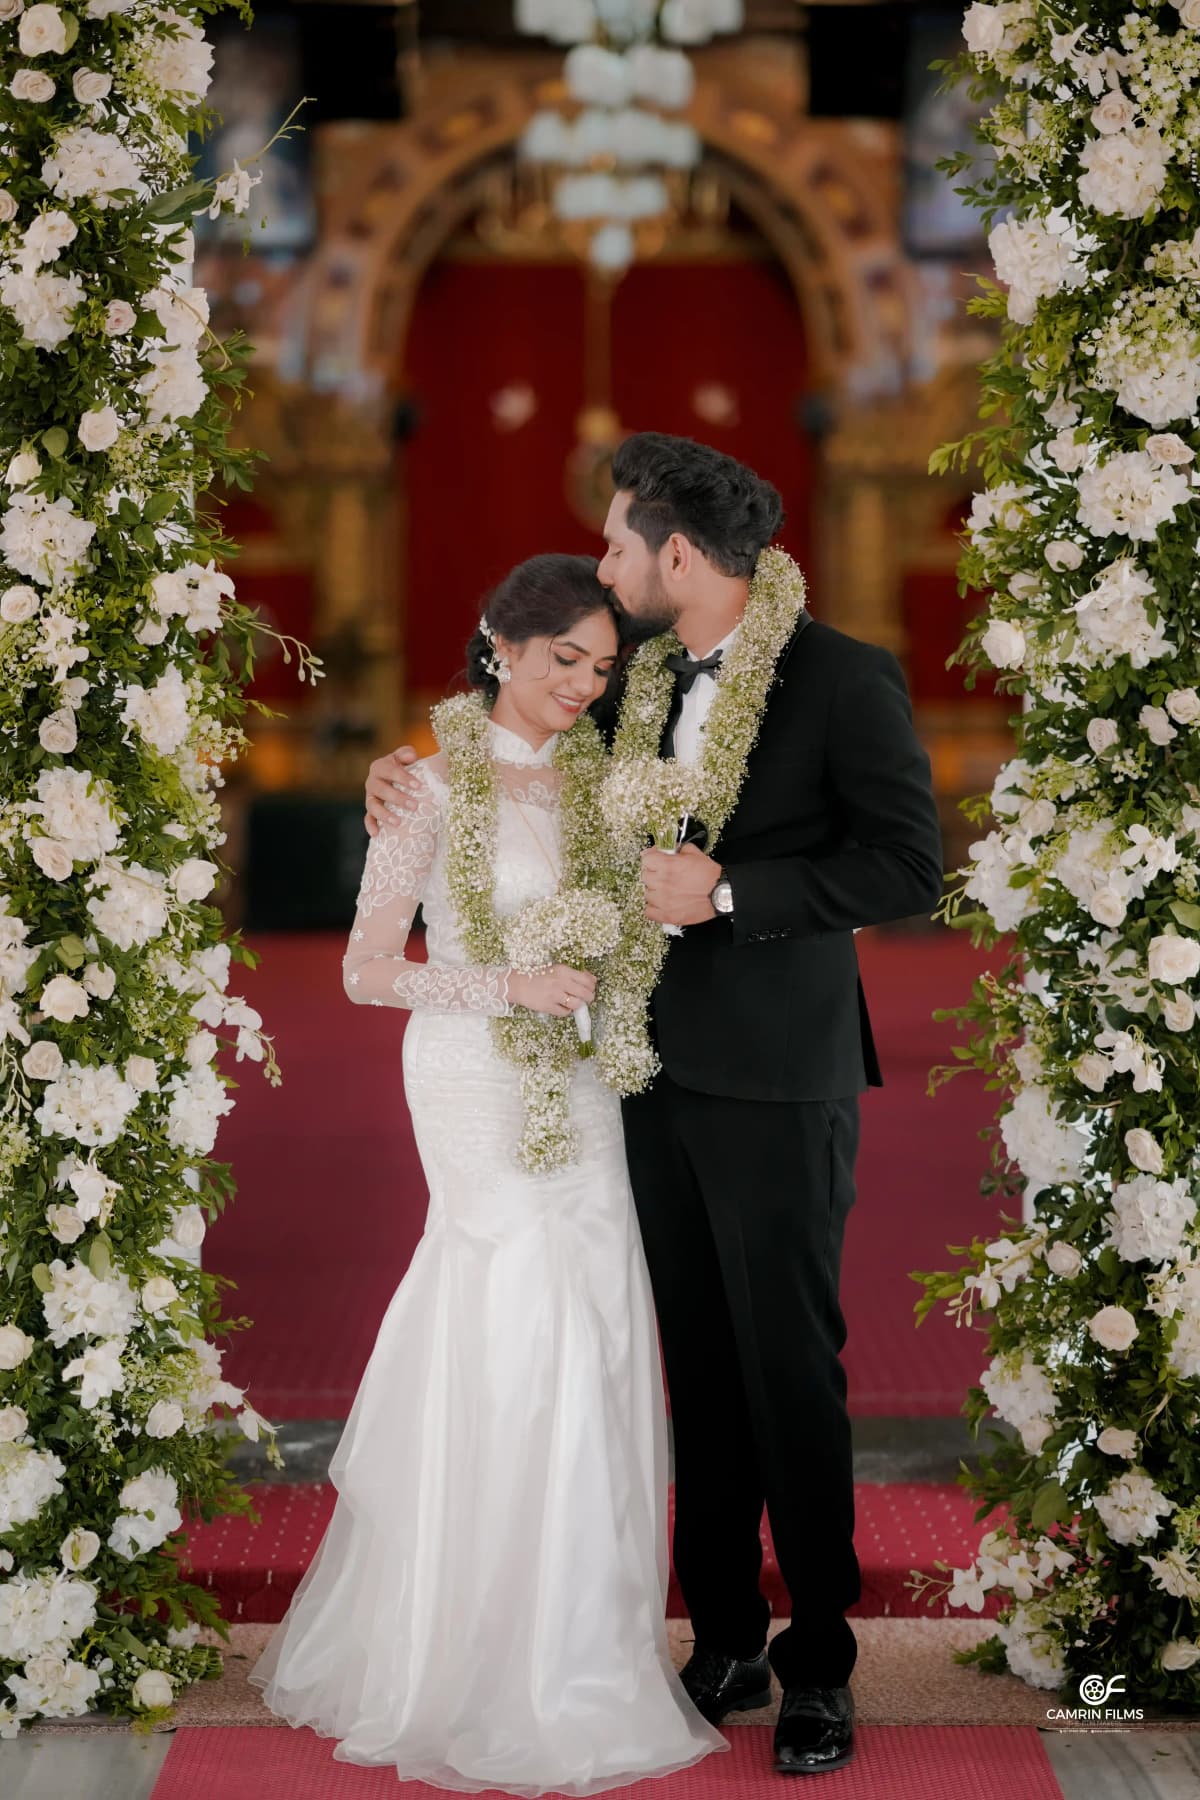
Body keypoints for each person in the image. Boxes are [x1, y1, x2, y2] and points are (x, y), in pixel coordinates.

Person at [366, 435, 944, 1777]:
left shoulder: (842, 677)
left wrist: (734, 892)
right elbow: (513, 740)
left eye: (618, 543)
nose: (606, 563)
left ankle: (819, 1663)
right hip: (636, 1073)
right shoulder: (634, 683)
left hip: (781, 1079)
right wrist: (401, 771)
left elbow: (909, 865)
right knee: (696, 1363)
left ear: (676, 553)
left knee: (787, 1366)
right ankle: (728, 1636)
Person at [252, 551, 726, 1795]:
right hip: (472, 1076)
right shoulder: (423, 785)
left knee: (595, 1316)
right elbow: (365, 970)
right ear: (497, 644)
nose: (583, 684)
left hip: (585, 1077)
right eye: (563, 658)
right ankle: (460, 1650)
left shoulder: (604, 782)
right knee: (510, 1308)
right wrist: (508, 983)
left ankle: (580, 1646)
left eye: (602, 667)